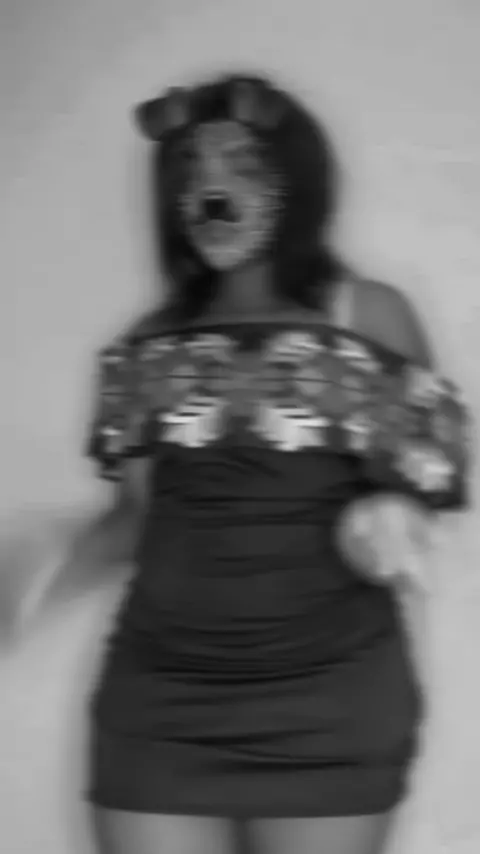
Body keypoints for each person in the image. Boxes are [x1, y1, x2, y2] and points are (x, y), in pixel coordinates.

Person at [84, 73, 469, 854]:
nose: (211, 187)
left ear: (297, 180)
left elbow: (425, 477)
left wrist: (390, 517)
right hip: (159, 707)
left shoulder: (365, 314)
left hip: (328, 701)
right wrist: (38, 565)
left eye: (242, 162)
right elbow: (133, 525)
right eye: (191, 166)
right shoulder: (148, 342)